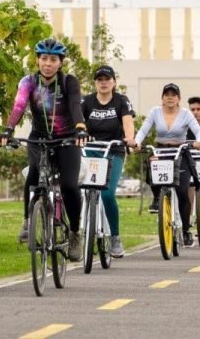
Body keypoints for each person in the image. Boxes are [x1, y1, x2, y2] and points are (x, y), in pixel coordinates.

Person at [0, 37, 89, 261]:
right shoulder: (28, 82)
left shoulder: (69, 82)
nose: (48, 63)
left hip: (67, 139)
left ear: (60, 62)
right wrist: (8, 129)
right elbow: (19, 105)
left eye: (53, 60)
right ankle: (28, 221)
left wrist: (80, 127)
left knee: (69, 185)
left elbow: (75, 104)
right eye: (44, 58)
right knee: (35, 172)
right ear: (37, 60)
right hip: (39, 137)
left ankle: (74, 233)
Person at [134, 83, 200, 247]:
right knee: (152, 165)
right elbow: (143, 130)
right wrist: (137, 142)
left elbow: (198, 131)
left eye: (173, 95)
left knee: (182, 192)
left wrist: (199, 141)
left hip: (181, 152)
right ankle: (157, 198)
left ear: (179, 98)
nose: (170, 97)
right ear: (162, 98)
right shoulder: (155, 112)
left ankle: (185, 230)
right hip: (161, 151)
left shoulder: (186, 113)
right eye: (167, 95)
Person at [81, 65, 136, 258]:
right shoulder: (86, 101)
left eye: (107, 79)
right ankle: (78, 233)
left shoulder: (121, 100)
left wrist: (130, 138)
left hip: (113, 151)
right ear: (95, 83)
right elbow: (78, 123)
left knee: (107, 194)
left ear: (114, 82)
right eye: (99, 80)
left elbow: (128, 122)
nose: (103, 83)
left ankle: (115, 237)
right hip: (90, 151)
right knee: (81, 192)